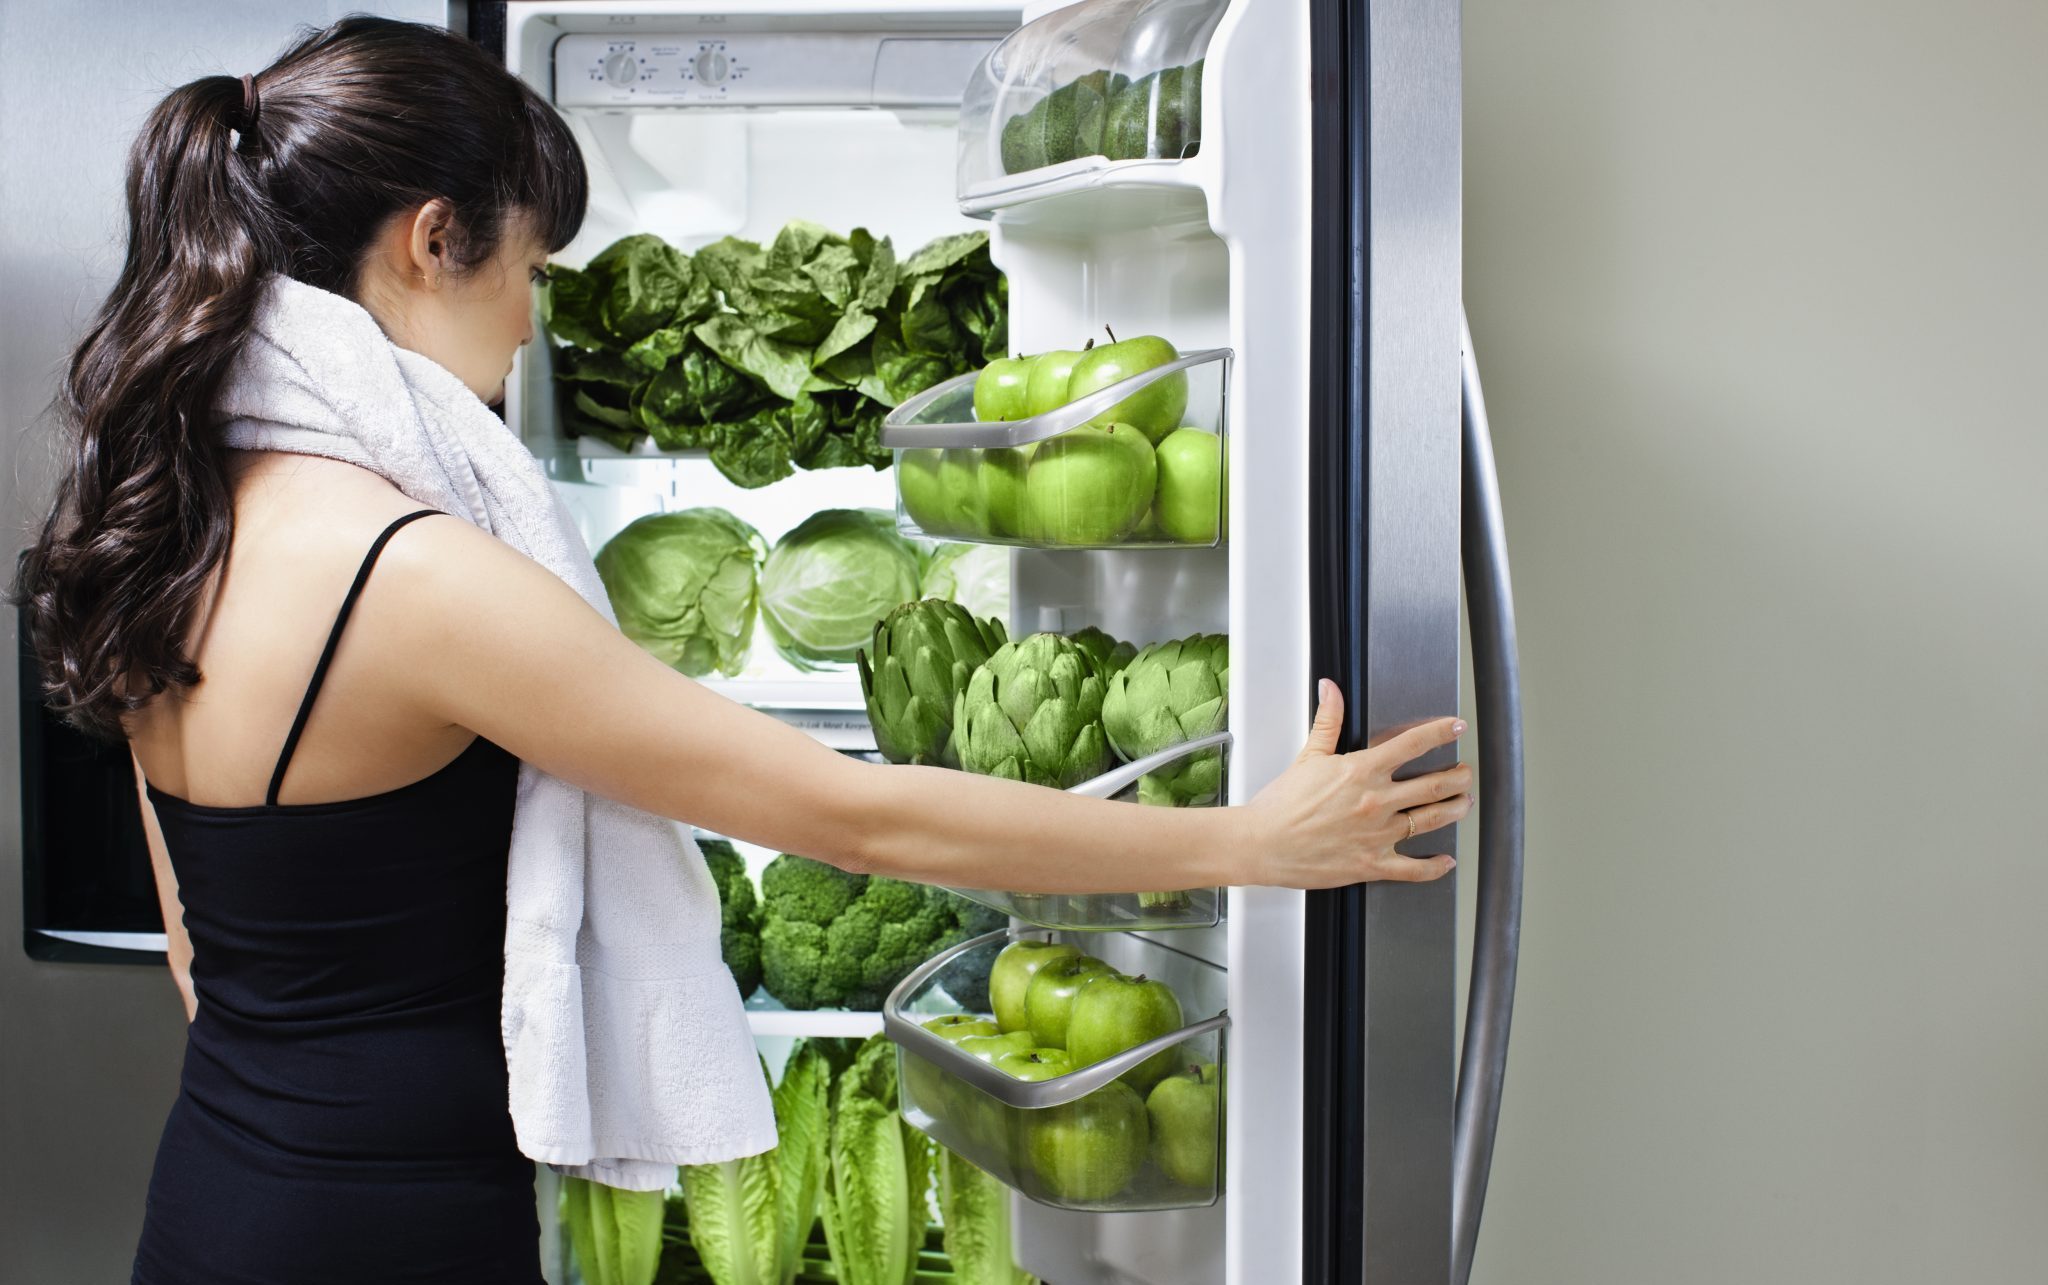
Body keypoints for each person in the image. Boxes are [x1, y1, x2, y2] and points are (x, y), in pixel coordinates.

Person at [10, 16, 1472, 1285]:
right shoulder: (413, 577)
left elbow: (206, 959)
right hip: (385, 1231)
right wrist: (1251, 837)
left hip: (215, 1196)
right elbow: (844, 807)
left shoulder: (173, 524)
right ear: (430, 240)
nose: (529, 327)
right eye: (529, 270)